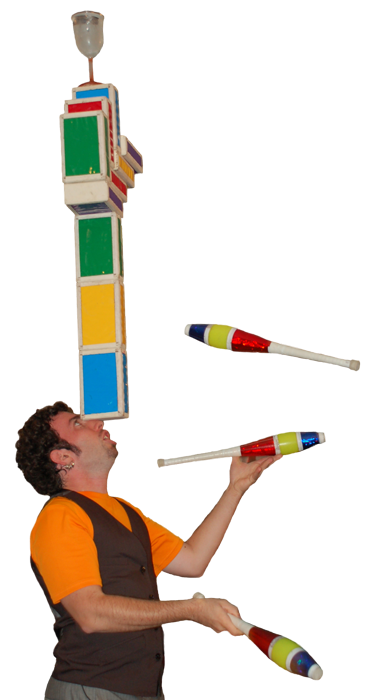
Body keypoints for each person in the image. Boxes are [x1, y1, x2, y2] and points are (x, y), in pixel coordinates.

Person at [15, 400, 282, 700]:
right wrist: (191, 610)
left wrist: (236, 488)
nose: (98, 423)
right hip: (92, 689)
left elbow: (193, 560)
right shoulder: (60, 516)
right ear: (63, 457)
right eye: (78, 423)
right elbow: (90, 614)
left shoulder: (126, 512)